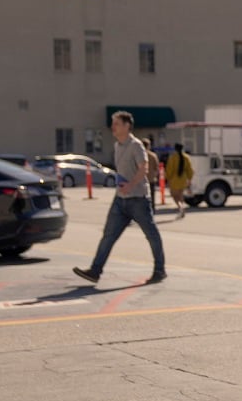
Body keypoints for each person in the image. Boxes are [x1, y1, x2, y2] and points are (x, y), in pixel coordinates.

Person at [74, 111, 166, 284]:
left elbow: (143, 168)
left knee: (151, 235)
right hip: (120, 200)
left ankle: (160, 271)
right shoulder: (117, 146)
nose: (112, 127)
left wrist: (131, 185)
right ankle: (95, 271)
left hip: (138, 199)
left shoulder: (136, 145)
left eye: (116, 123)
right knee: (108, 235)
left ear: (126, 126)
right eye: (112, 123)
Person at [165, 142, 194, 219]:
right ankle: (181, 208)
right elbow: (190, 170)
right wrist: (189, 179)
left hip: (174, 179)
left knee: (174, 196)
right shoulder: (186, 157)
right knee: (180, 195)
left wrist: (168, 178)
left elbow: (169, 170)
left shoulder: (173, 157)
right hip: (183, 179)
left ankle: (180, 208)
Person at [143, 138, 160, 208]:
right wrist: (155, 175)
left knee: (142, 197)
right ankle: (152, 210)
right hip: (151, 179)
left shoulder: (139, 155)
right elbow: (157, 168)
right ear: (148, 146)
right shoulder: (153, 156)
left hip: (141, 180)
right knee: (152, 196)